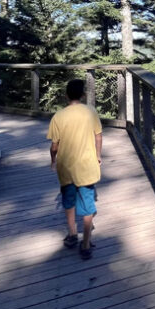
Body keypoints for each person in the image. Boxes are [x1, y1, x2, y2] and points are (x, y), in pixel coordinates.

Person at [48, 78, 102, 260]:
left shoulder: (58, 116)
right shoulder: (91, 112)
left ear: (66, 96)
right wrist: (98, 155)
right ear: (83, 95)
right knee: (88, 205)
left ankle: (72, 233)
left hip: (66, 167)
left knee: (68, 200)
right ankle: (86, 244)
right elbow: (98, 136)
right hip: (87, 166)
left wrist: (53, 160)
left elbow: (54, 146)